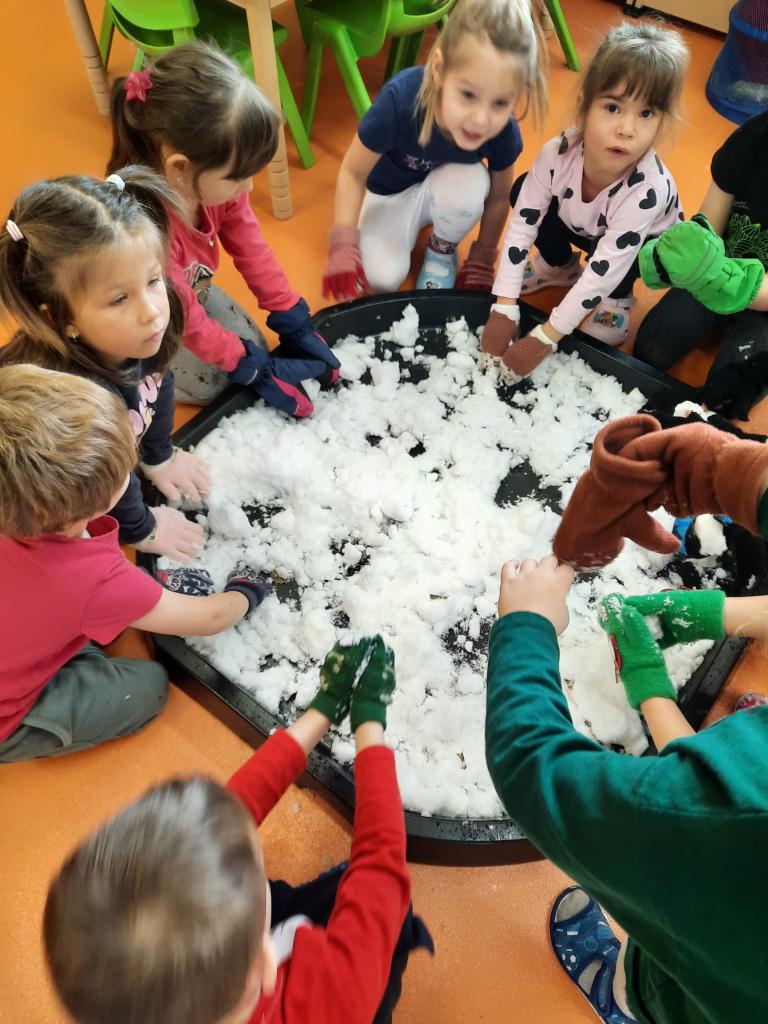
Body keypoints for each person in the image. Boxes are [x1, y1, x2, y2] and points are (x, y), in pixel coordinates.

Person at [484, 415, 768, 1022]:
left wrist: (526, 629)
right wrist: (725, 472)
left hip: (713, 995)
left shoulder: (740, 821)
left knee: (660, 981)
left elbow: (534, 771)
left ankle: (619, 996)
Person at [43, 635, 433, 1024]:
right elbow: (382, 868)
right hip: (348, 993)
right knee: (389, 916)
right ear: (265, 963)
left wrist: (324, 708)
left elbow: (224, 821)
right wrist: (369, 721)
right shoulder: (330, 1002)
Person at [0, 363, 271, 763]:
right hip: (8, 716)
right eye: (123, 474)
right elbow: (209, 618)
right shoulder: (95, 580)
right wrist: (247, 591)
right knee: (149, 687)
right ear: (93, 505)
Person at [108, 41, 339, 407]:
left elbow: (251, 246)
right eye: (238, 177)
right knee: (217, 384)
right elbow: (184, 317)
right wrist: (248, 366)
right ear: (180, 167)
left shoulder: (209, 183)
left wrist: (288, 312)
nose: (248, 188)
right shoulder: (145, 234)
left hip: (184, 290)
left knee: (254, 347)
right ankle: (126, 372)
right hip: (144, 316)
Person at [0, 167, 210, 562]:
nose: (152, 312)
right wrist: (143, 528)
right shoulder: (67, 405)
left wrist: (159, 456)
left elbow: (159, 383)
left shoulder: (148, 328)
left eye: (153, 280)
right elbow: (104, 480)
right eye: (119, 299)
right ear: (61, 318)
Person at [483, 20, 688, 376]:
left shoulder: (647, 190)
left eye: (646, 113)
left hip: (639, 248)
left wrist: (546, 337)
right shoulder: (557, 153)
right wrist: (504, 306)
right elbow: (523, 223)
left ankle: (617, 300)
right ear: (585, 106)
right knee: (523, 190)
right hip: (586, 225)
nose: (627, 129)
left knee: (621, 261)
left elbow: (604, 269)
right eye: (612, 108)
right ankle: (558, 265)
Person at [322, 0, 545, 299]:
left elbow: (499, 196)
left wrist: (482, 258)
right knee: (379, 280)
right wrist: (343, 243)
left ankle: (442, 248)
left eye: (501, 102)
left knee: (470, 188)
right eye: (468, 94)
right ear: (439, 69)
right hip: (391, 193)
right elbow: (352, 173)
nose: (481, 119)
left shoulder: (504, 129)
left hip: (451, 191)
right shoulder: (399, 102)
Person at [634, 109, 768, 418]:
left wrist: (725, 281)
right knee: (650, 349)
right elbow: (709, 224)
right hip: (716, 276)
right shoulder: (753, 139)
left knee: (727, 396)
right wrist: (688, 258)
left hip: (760, 305)